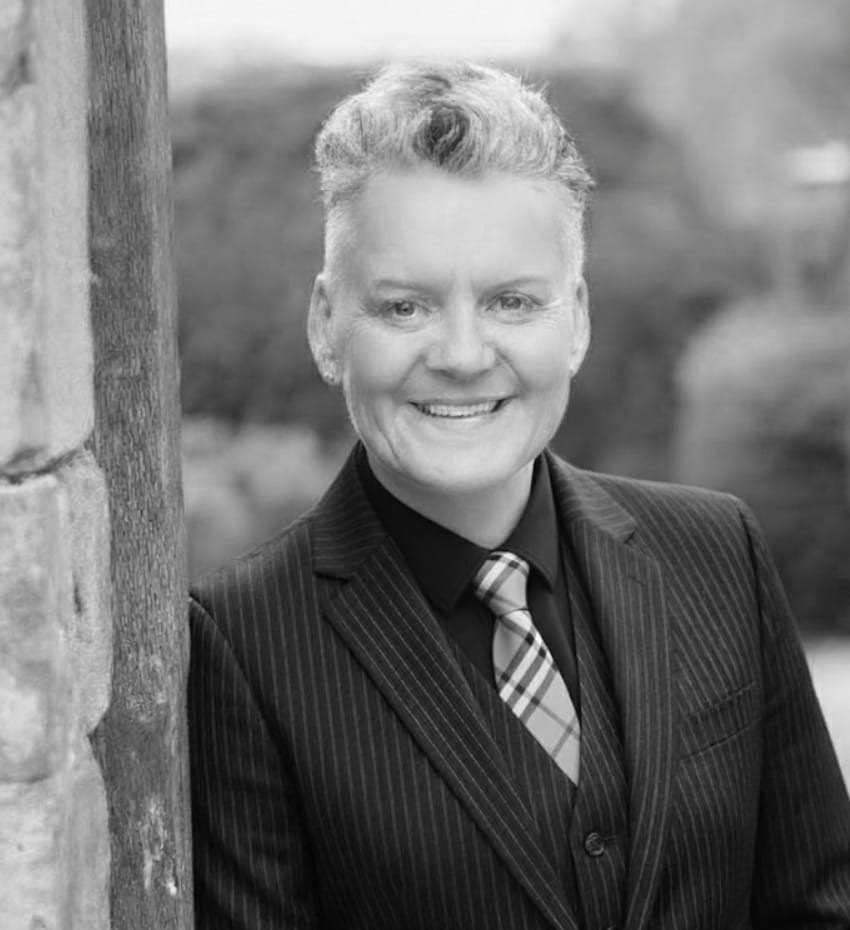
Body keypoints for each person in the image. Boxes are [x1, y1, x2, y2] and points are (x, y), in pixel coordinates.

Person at [187, 60, 850, 930]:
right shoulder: (239, 645)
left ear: (576, 321)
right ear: (326, 326)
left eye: (511, 302)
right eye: (404, 307)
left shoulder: (718, 551)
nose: (463, 355)